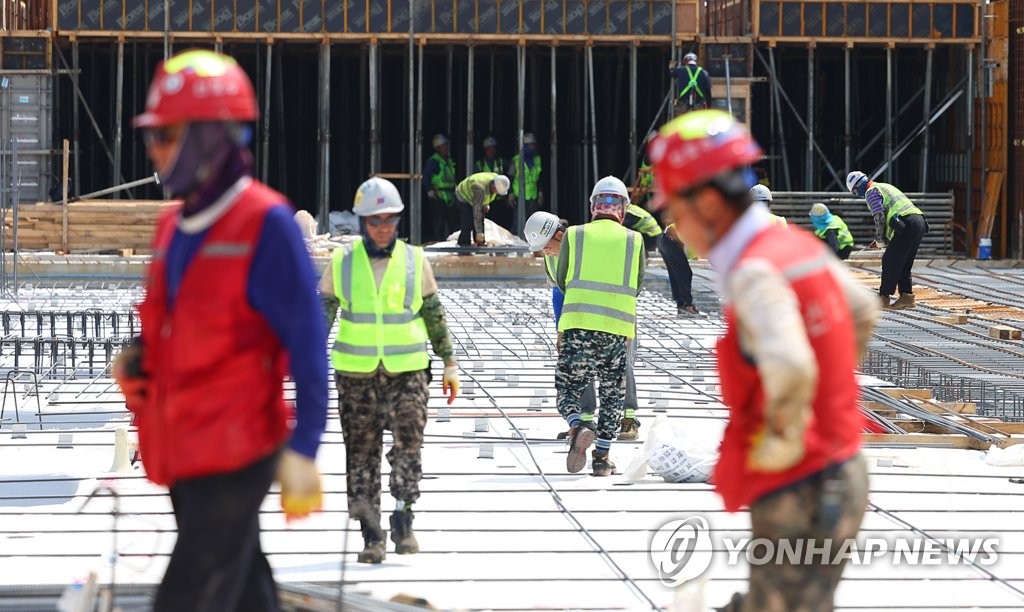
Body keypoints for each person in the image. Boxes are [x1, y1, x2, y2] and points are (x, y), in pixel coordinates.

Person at [115, 49, 327, 612]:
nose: (155, 151)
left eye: (165, 136)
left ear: (210, 138)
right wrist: (137, 362)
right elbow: (172, 326)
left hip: (238, 449)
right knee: (243, 585)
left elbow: (307, 344)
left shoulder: (265, 224)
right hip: (181, 442)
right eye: (152, 137)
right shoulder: (171, 228)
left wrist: (304, 448)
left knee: (189, 594)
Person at [648, 109, 878, 612]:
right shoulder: (790, 244)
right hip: (843, 467)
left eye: (676, 212)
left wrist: (782, 438)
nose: (675, 226)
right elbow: (861, 310)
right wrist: (832, 399)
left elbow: (791, 364)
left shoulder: (754, 272)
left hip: (801, 483)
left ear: (708, 203)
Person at [320, 177, 461, 564]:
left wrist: (449, 362)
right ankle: (371, 535)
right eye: (374, 220)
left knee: (408, 448)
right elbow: (323, 316)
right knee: (361, 455)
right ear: (362, 222)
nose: (383, 228)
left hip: (408, 372)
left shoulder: (415, 260)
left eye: (389, 220)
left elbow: (434, 314)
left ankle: (403, 518)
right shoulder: (342, 263)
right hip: (356, 376)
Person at [523, 210, 643, 442]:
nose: (545, 252)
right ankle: (585, 421)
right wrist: (562, 329)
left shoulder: (586, 242)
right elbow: (559, 293)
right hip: (582, 316)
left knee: (620, 365)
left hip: (614, 310)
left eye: (547, 245)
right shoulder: (550, 257)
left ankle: (628, 418)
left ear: (560, 235)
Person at [554, 177, 645, 475]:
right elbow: (638, 285)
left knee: (568, 387)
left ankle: (578, 424)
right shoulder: (635, 240)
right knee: (612, 394)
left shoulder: (575, 235)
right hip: (617, 329)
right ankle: (602, 459)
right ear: (624, 209)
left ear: (593, 206)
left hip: (577, 325)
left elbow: (562, 278)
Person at [847, 170, 927, 309]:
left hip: (907, 223)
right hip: (918, 222)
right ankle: (906, 297)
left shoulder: (870, 192)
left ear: (857, 186)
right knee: (903, 262)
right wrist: (883, 238)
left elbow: (879, 216)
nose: (857, 195)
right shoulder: (884, 186)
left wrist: (879, 238)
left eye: (854, 192)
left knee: (889, 260)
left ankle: (883, 298)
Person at [455, 172, 510, 247]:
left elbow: (487, 196)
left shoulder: (497, 181)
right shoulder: (480, 188)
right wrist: (479, 232)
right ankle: (463, 242)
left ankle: (480, 241)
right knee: (468, 219)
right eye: (497, 191)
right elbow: (476, 213)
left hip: (476, 197)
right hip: (463, 196)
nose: (497, 194)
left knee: (481, 218)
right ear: (494, 187)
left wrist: (486, 204)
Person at [658, 222, 699, 316]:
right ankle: (686, 304)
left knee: (676, 273)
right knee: (685, 273)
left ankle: (681, 304)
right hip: (671, 240)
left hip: (665, 239)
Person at [422, 134, 457, 241]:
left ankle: (454, 243)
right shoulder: (433, 161)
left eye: (446, 145)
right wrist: (429, 190)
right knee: (439, 224)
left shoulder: (449, 160)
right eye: (444, 145)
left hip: (451, 196)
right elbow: (426, 176)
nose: (446, 147)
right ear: (437, 148)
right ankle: (439, 243)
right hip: (439, 196)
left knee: (454, 223)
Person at [507, 132, 543, 231]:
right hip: (519, 195)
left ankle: (531, 241)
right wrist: (510, 193)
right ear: (525, 146)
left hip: (532, 195)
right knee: (518, 220)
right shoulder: (516, 160)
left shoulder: (537, 159)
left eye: (534, 145)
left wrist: (540, 192)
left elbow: (539, 177)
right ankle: (516, 239)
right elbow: (509, 178)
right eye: (531, 145)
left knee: (533, 221)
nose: (533, 147)